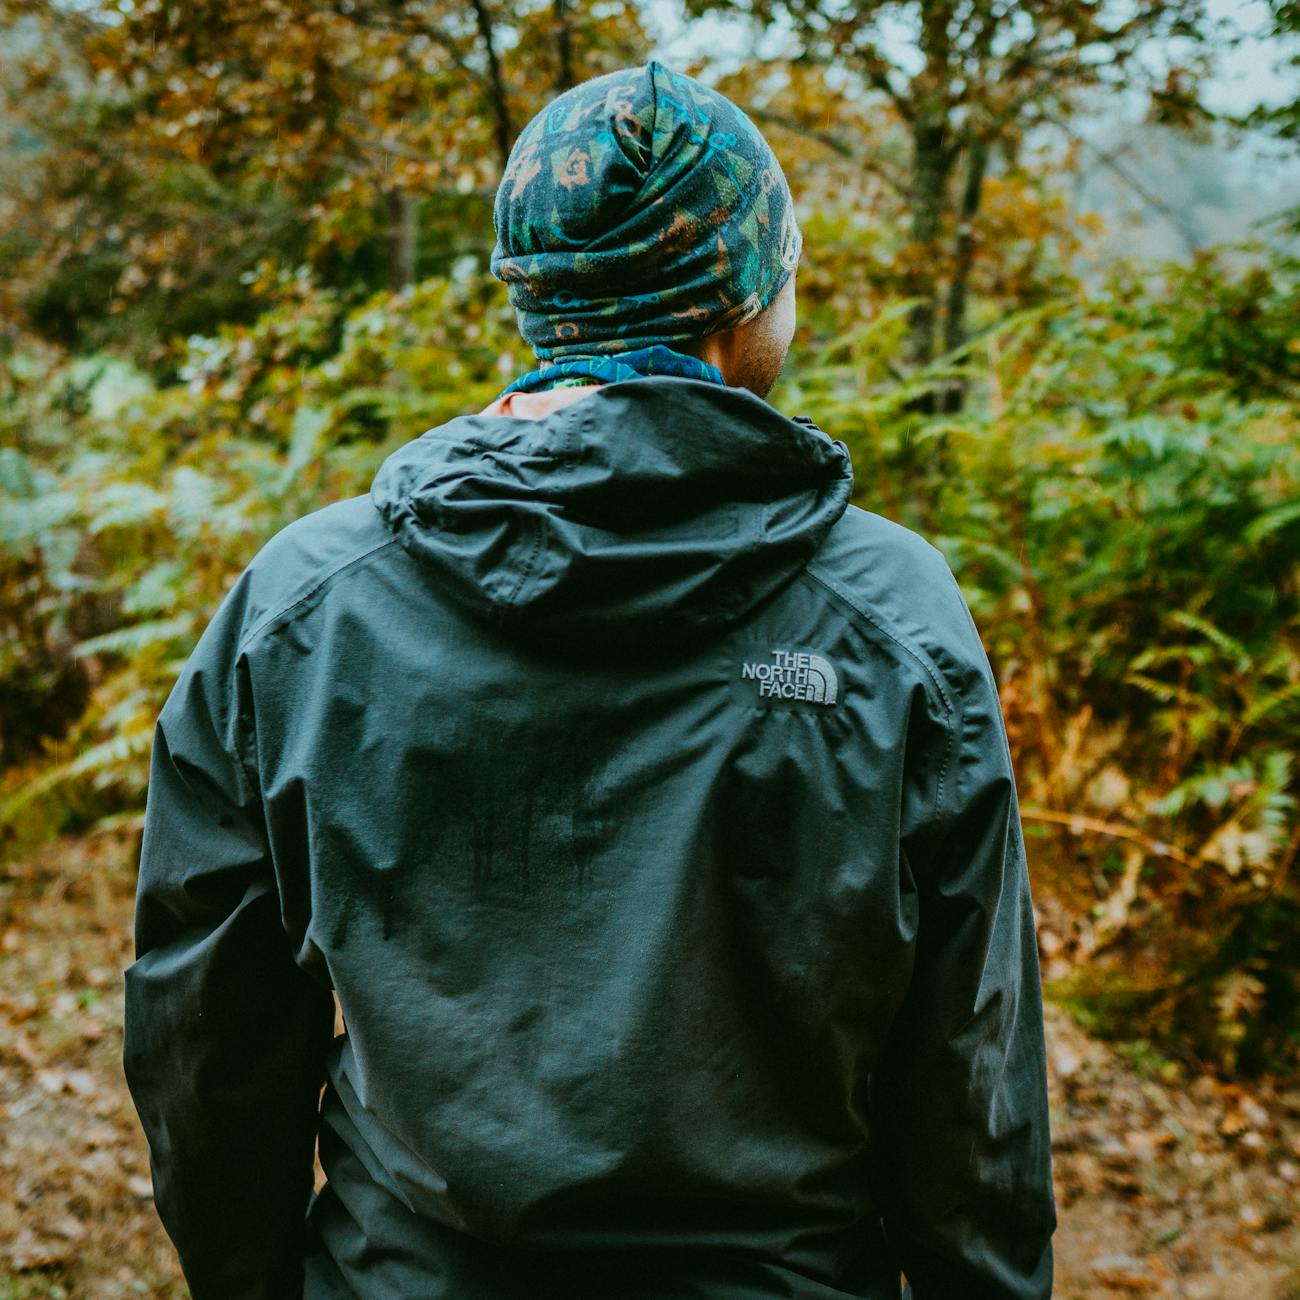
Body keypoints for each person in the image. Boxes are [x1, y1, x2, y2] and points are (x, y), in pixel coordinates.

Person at [122, 59, 1057, 1300]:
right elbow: (968, 1073)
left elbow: (204, 1031)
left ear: (535, 298)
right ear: (739, 298)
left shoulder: (304, 606)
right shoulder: (890, 619)